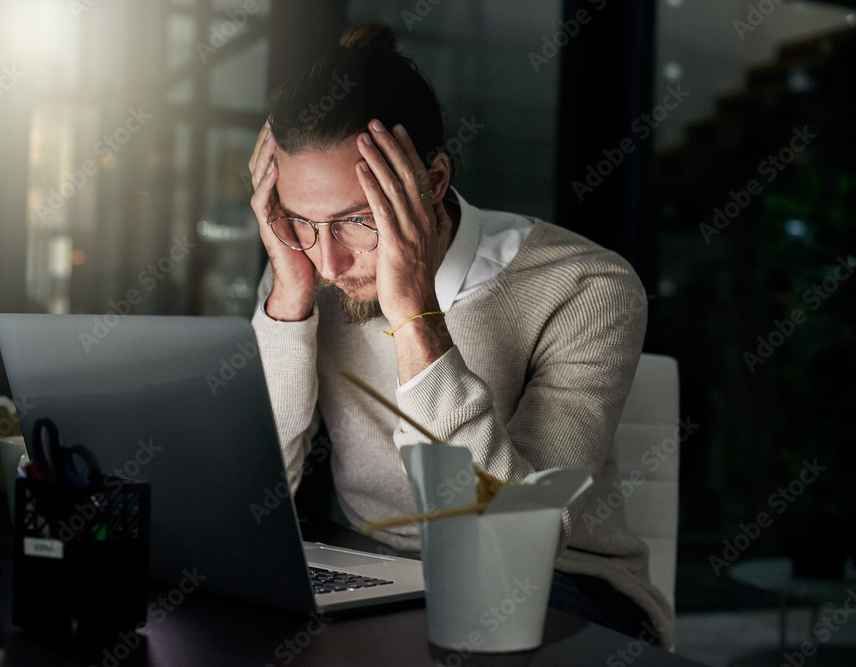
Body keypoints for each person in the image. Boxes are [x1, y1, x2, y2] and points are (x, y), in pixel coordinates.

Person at [247, 24, 673, 648]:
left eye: (357, 221)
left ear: (435, 181)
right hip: (377, 569)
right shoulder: (303, 266)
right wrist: (287, 303)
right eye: (300, 222)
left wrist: (414, 312)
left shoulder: (587, 285)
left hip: (562, 584)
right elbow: (257, 496)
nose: (331, 263)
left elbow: (510, 530)